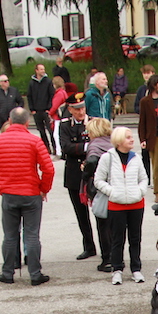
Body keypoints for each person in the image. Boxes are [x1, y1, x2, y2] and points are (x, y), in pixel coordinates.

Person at [0, 107, 55, 285]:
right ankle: (35, 274)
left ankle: (7, 272)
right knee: (32, 235)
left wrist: (1, 189)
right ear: (27, 122)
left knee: (10, 235)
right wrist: (43, 189)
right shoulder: (34, 141)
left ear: (9, 121)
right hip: (31, 193)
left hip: (9, 193)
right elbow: (48, 168)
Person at [94, 126, 149, 285]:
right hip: (116, 205)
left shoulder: (136, 157)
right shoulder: (107, 158)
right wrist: (112, 191)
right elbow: (98, 180)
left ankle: (136, 268)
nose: (132, 139)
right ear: (118, 141)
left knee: (135, 238)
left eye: (131, 137)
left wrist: (140, 191)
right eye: (128, 137)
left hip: (136, 204)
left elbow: (144, 178)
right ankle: (117, 269)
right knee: (117, 239)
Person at [57, 93, 95, 260]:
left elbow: (101, 142)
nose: (81, 112)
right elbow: (66, 147)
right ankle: (88, 245)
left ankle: (107, 249)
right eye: (77, 109)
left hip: (93, 173)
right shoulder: (65, 125)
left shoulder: (93, 122)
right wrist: (87, 146)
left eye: (83, 108)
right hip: (74, 174)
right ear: (70, 109)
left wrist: (80, 147)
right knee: (81, 214)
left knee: (101, 212)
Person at [81, 116, 115, 273]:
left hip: (101, 189)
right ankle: (117, 257)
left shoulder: (94, 145)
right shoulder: (113, 143)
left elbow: (93, 160)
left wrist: (86, 171)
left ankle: (107, 259)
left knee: (103, 225)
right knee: (116, 226)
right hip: (117, 187)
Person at [27, 65, 56, 155]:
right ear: (36, 70)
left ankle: (54, 147)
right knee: (41, 131)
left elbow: (52, 95)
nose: (43, 71)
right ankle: (46, 148)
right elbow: (29, 96)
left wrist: (49, 108)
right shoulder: (32, 83)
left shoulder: (48, 81)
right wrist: (32, 109)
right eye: (41, 69)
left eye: (44, 69)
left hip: (46, 110)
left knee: (50, 130)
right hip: (37, 110)